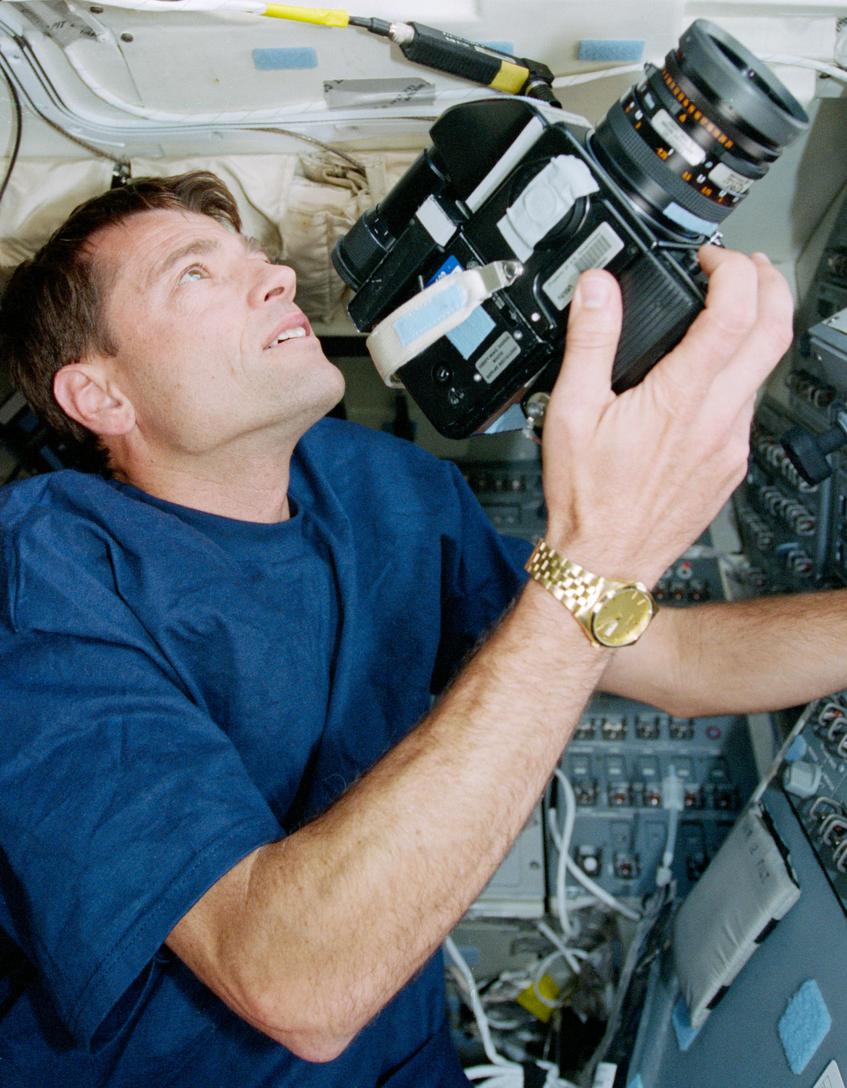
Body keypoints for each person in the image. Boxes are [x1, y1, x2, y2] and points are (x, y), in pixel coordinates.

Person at [0, 169, 801, 1086]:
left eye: (256, 257)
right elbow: (294, 980)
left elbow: (672, 658)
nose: (276, 277)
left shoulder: (380, 485)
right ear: (100, 397)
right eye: (195, 274)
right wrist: (603, 549)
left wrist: (601, 571)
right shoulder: (43, 580)